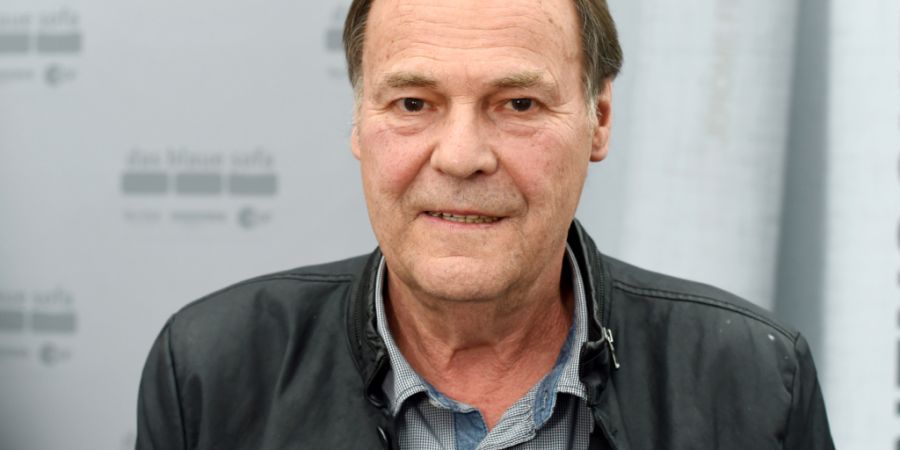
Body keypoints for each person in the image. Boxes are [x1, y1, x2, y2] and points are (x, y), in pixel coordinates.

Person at [136, 0, 834, 448]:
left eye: (519, 104)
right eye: (413, 103)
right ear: (358, 121)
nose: (463, 157)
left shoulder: (753, 379)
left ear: (599, 119)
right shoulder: (211, 370)